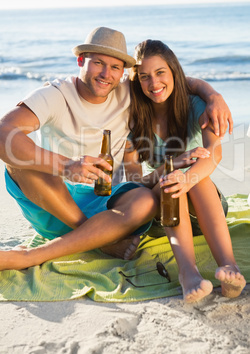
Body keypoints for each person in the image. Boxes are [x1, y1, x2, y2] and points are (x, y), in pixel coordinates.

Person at [0, 27, 233, 271]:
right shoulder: (55, 95)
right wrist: (66, 165)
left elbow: (170, 81)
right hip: (55, 201)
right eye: (98, 62)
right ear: (81, 60)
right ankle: (89, 242)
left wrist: (213, 94)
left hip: (110, 205)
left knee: (152, 196)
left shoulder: (126, 91)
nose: (106, 74)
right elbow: (4, 134)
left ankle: (86, 241)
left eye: (115, 67)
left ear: (123, 72)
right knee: (16, 158)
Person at [124, 39, 246, 303]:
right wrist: (173, 166)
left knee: (192, 175)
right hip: (162, 216)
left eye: (160, 73)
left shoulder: (196, 105)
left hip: (206, 210)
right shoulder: (133, 117)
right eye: (144, 77)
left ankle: (229, 266)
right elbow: (134, 183)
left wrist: (186, 176)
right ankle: (188, 274)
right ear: (137, 81)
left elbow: (214, 153)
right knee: (171, 179)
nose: (153, 83)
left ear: (173, 73)